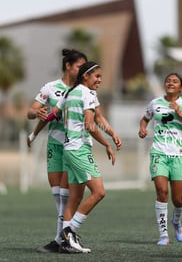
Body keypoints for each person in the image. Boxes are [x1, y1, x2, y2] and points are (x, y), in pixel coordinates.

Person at [27, 50, 122, 253]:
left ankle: (63, 240)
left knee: (73, 198)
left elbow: (51, 115)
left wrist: (33, 134)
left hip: (69, 149)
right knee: (99, 192)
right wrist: (106, 143)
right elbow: (91, 125)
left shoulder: (70, 93)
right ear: (85, 75)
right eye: (97, 76)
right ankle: (68, 234)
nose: (99, 80)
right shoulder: (85, 93)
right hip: (78, 149)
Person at [138, 72, 182, 246]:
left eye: (175, 81)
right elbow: (145, 119)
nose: (170, 83)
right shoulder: (155, 103)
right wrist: (142, 128)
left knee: (178, 199)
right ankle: (163, 235)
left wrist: (179, 114)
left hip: (179, 155)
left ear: (181, 87)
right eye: (168, 81)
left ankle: (176, 221)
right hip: (159, 153)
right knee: (162, 192)